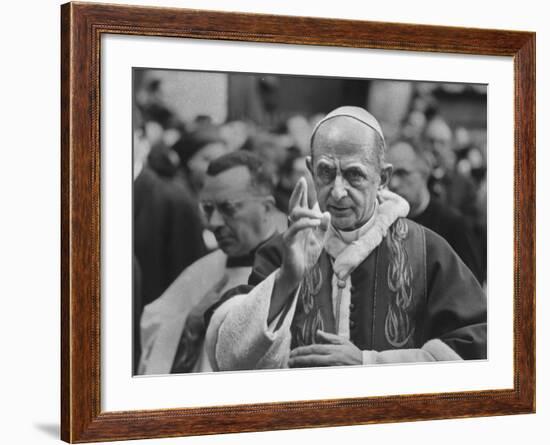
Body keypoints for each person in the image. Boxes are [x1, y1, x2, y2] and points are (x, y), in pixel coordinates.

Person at [204, 106, 486, 371]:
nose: (338, 191)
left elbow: (478, 347)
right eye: (326, 173)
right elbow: (227, 358)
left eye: (354, 175)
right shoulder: (284, 251)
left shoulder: (427, 250)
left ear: (383, 177)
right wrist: (286, 280)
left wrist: (369, 364)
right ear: (310, 169)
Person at [138, 151, 284, 375]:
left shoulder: (297, 267)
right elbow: (152, 330)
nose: (213, 223)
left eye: (228, 208)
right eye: (207, 208)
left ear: (266, 207)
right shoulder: (199, 274)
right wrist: (190, 323)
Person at [386, 140, 484, 284]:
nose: (393, 183)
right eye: (388, 175)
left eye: (402, 173)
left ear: (424, 172)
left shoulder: (453, 224)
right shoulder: (385, 223)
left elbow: (472, 286)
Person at [423, 117, 478, 222]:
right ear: (423, 142)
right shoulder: (414, 180)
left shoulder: (465, 184)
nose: (436, 148)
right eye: (431, 141)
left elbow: (471, 223)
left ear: (450, 146)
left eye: (441, 143)